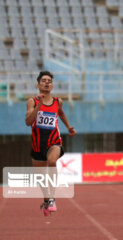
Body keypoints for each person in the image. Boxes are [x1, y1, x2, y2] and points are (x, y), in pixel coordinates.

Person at [25, 71, 76, 216]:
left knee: (52, 160)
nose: (47, 82)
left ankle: (52, 198)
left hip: (54, 141)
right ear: (38, 85)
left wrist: (68, 127)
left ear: (52, 86)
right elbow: (28, 122)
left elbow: (61, 113)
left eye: (49, 81)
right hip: (37, 144)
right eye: (44, 80)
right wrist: (39, 105)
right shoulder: (32, 101)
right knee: (40, 178)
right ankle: (47, 200)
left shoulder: (57, 101)